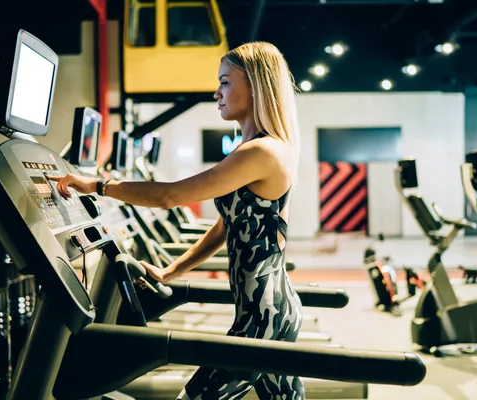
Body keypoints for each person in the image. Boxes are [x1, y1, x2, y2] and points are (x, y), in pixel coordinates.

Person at [47, 41, 305, 400]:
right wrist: (171, 271)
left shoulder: (262, 151)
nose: (216, 92)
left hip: (263, 318)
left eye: (226, 82)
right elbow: (225, 226)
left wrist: (98, 185)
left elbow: (169, 196)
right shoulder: (264, 147)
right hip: (270, 311)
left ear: (256, 85)